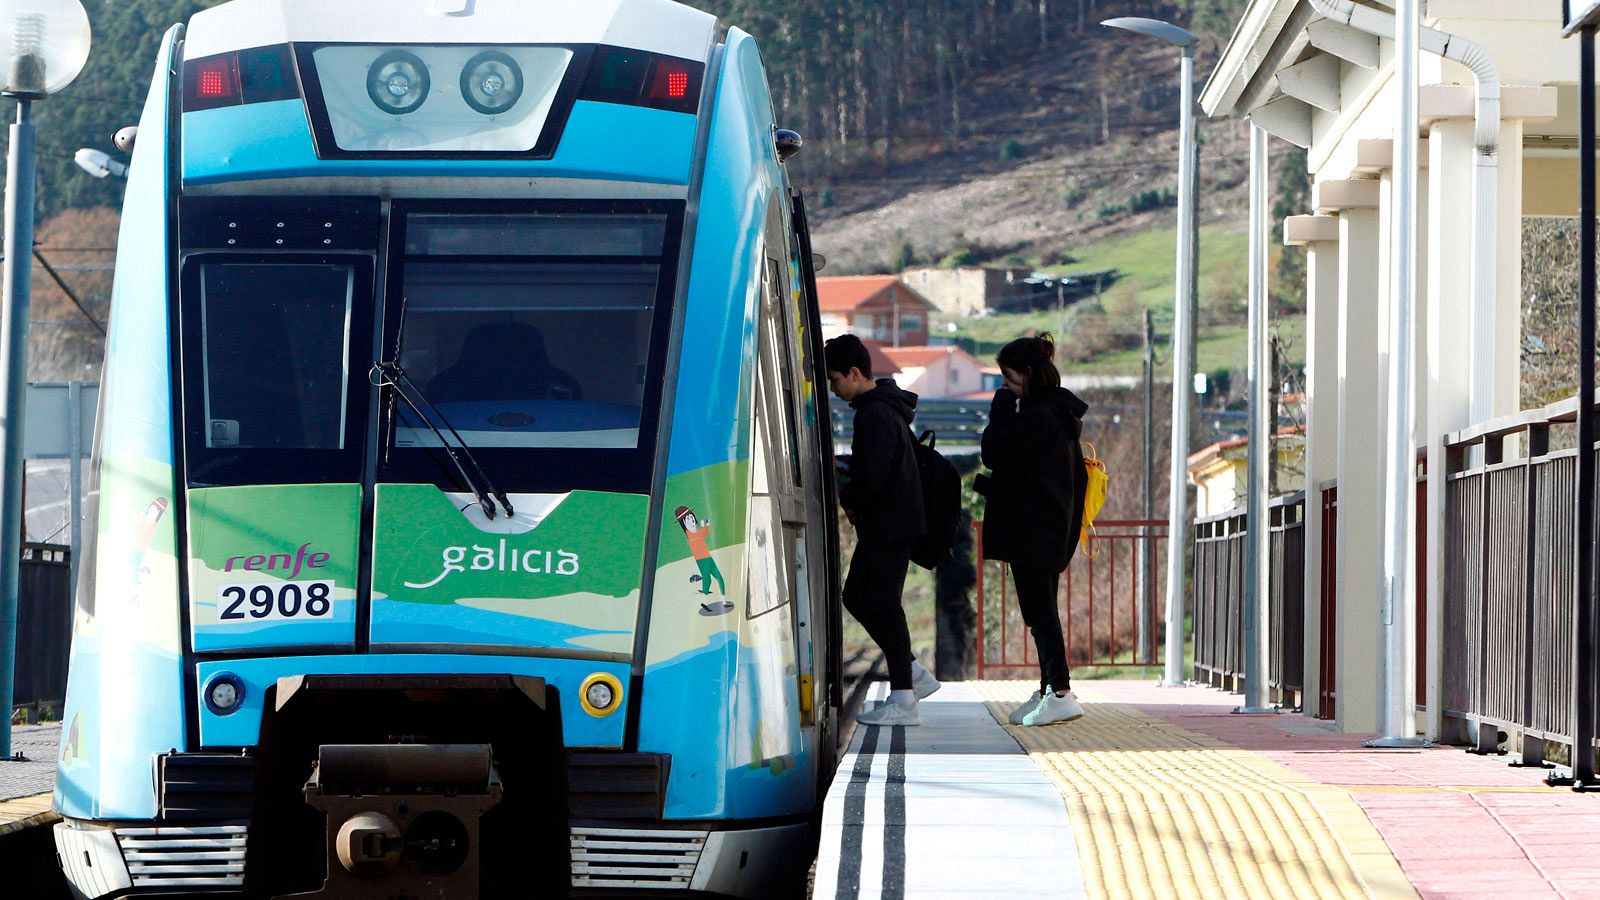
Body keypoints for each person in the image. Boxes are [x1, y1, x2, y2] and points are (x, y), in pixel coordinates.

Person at [824, 334, 940, 726]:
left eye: (835, 379)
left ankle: (905, 698)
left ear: (855, 373)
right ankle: (913, 674)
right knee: (857, 596)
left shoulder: (873, 413)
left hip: (889, 523)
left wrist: (849, 495)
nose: (833, 388)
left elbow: (873, 475)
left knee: (883, 604)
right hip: (893, 522)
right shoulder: (885, 408)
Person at [979, 333, 1089, 727]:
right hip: (1048, 528)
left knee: (1040, 613)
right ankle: (1047, 689)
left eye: (1009, 378)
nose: (1004, 386)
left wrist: (1000, 411)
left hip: (1035, 530)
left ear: (1028, 374)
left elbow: (994, 453)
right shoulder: (1054, 414)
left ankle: (1060, 692)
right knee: (1040, 611)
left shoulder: (1038, 418)